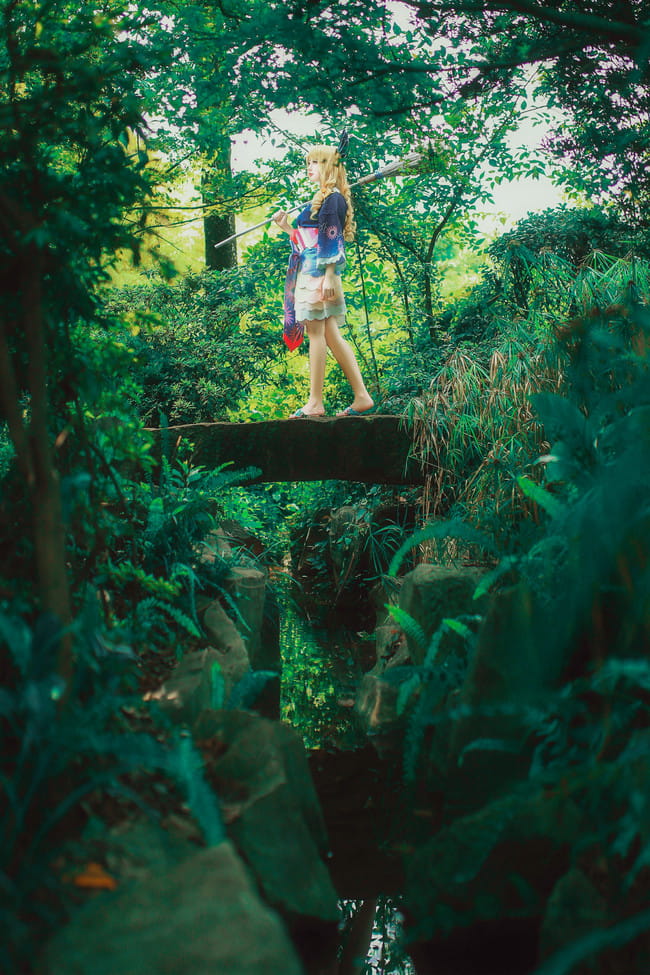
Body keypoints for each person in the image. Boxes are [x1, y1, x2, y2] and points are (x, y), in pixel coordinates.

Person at [273, 144, 375, 418]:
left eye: (316, 162)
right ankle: (362, 396)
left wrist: (330, 273)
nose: (310, 167)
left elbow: (332, 239)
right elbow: (307, 243)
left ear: (329, 167)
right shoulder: (321, 199)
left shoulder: (333, 200)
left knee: (316, 334)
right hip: (311, 271)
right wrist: (287, 228)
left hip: (320, 275)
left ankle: (315, 402)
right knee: (330, 334)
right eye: (309, 162)